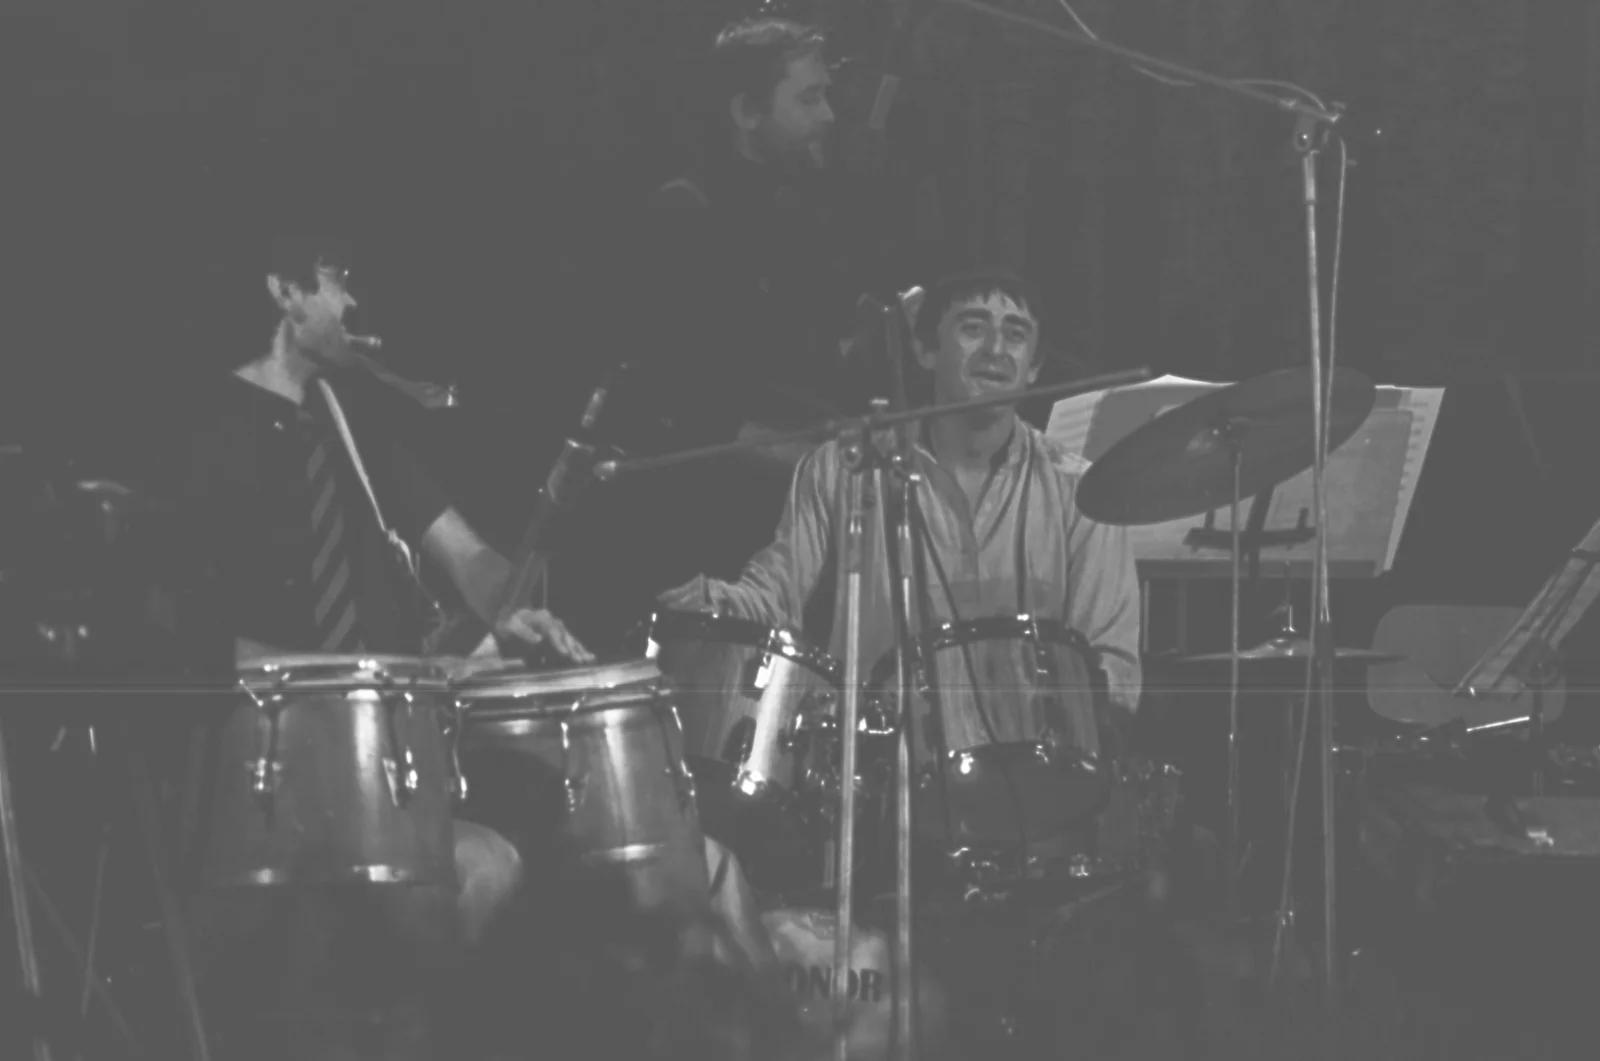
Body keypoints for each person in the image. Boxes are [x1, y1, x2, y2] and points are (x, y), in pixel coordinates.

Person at [168, 219, 595, 1060]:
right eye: (337, 277)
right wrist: (376, 678)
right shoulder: (208, 433)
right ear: (285, 292)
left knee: (542, 853)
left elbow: (466, 555)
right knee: (484, 870)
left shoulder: (355, 421)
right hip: (271, 783)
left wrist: (510, 605)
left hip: (384, 768)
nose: (354, 299)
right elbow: (204, 643)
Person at [659, 265, 1142, 773]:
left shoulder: (1083, 492)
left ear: (1034, 366)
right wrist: (706, 605)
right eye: (973, 328)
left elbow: (1113, 665)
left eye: (1016, 335)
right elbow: (773, 597)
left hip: (1032, 786)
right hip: (880, 780)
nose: (996, 350)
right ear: (926, 351)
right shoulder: (845, 468)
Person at [564, 15, 900, 649]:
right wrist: (824, 464)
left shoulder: (803, 214)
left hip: (788, 535)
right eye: (809, 98)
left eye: (826, 95)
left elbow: (801, 369)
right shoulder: (687, 216)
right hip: (703, 549)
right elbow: (694, 412)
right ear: (747, 111)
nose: (829, 115)